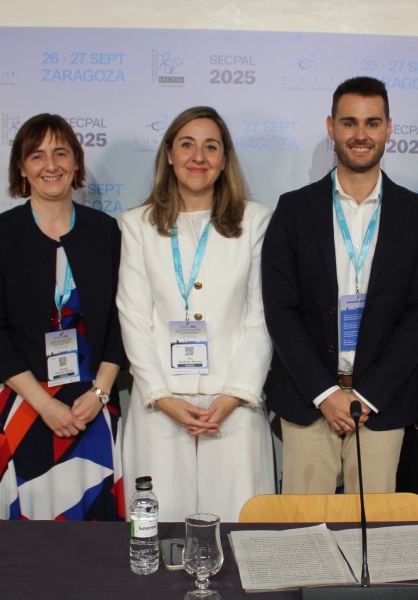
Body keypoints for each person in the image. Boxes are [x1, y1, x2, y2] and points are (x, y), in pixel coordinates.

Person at [262, 76, 418, 498]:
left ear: (388, 128)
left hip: (381, 405)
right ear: (331, 127)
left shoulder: (417, 214)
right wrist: (325, 394)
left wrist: (368, 395)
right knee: (306, 540)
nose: (360, 135)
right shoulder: (293, 209)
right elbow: (280, 310)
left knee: (373, 542)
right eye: (349, 123)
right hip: (309, 402)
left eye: (372, 123)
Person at [117, 106, 274, 522]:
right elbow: (132, 314)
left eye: (211, 146)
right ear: (169, 153)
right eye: (187, 144)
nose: (198, 156)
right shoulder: (137, 225)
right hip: (160, 408)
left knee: (239, 527)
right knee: (162, 529)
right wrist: (161, 396)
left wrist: (235, 394)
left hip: (234, 407)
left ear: (225, 159)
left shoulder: (255, 221)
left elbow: (261, 315)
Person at [0, 113, 126, 520]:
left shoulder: (104, 231)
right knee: (23, 548)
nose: (50, 165)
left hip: (90, 407)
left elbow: (120, 322)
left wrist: (99, 396)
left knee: (94, 538)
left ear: (76, 164)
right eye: (37, 156)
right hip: (23, 406)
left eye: (61, 153)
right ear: (21, 169)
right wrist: (44, 405)